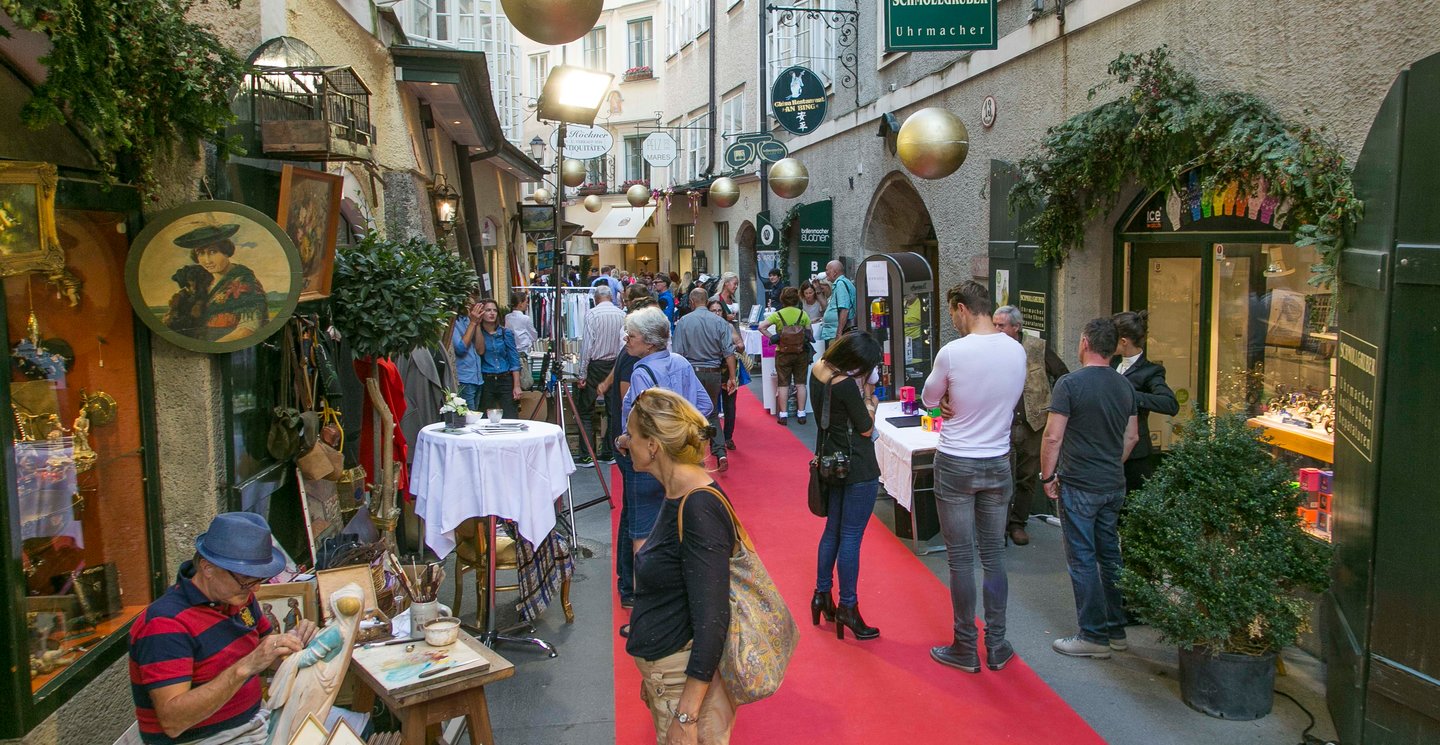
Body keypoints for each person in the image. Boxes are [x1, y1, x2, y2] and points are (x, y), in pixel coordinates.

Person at [129, 513, 318, 744]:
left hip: (255, 722)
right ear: (208, 568)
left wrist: (292, 643)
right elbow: (173, 721)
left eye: (259, 579)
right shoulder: (165, 624)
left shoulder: (238, 597)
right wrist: (247, 666)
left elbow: (269, 654)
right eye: (247, 579)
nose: (255, 589)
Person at [922, 281, 1026, 674]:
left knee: (962, 560)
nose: (952, 320)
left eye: (952, 313)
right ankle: (996, 644)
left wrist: (948, 399)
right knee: (993, 557)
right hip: (998, 461)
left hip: (957, 461)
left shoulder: (952, 352)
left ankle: (965, 646)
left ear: (962, 309)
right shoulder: (1015, 349)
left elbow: (930, 400)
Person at [623, 388, 738, 744]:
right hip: (667, 679)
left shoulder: (697, 507)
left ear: (654, 445)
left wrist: (686, 715)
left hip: (680, 684)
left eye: (632, 435)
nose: (626, 443)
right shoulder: (677, 492)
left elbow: (712, 620)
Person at [1041, 317, 1139, 659]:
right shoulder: (1124, 386)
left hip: (1080, 482)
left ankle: (1093, 635)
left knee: (1082, 558)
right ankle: (1115, 630)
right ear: (1113, 348)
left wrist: (1047, 476)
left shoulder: (1069, 385)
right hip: (1113, 482)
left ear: (1084, 343)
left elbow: (1053, 436)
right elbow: (1132, 436)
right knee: (1110, 556)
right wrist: (1112, 462)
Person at [613, 308, 712, 598]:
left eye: (631, 336)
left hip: (646, 458)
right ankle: (630, 585)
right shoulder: (680, 362)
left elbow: (646, 424)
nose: (626, 340)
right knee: (648, 518)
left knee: (640, 526)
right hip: (677, 457)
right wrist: (681, 431)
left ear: (649, 341)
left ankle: (641, 595)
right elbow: (704, 406)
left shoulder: (642, 371)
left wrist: (624, 439)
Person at [809, 331, 885, 641]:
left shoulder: (818, 370)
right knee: (851, 536)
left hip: (831, 461)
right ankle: (848, 607)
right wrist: (870, 399)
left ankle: (822, 594)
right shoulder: (844, 386)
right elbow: (866, 428)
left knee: (833, 531)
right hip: (857, 465)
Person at [598, 286, 658, 607]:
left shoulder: (636, 359)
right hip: (631, 448)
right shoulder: (634, 363)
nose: (627, 340)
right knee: (634, 518)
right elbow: (628, 407)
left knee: (636, 516)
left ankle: (632, 583)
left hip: (636, 447)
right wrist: (627, 441)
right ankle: (628, 586)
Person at [993, 305, 1069, 546]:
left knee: (1026, 477)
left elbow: (1063, 375)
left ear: (1016, 327)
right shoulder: (991, 348)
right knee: (1001, 477)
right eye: (994, 324)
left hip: (1033, 424)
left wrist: (1052, 407)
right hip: (1001, 422)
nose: (996, 330)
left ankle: (1018, 523)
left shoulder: (1037, 348)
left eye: (1001, 326)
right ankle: (999, 525)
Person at [1111, 310, 1178, 493]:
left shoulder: (1150, 371)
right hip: (1109, 446)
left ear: (1123, 341)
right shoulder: (1110, 362)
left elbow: (1170, 404)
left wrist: (1131, 396)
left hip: (1135, 454)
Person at [171, 224, 270, 343]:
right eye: (201, 253)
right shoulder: (201, 281)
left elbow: (247, 330)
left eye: (213, 252)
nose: (207, 260)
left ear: (226, 252)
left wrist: (210, 347)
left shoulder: (245, 282)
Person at [673, 288, 736, 471]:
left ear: (692, 302)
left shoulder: (684, 322)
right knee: (713, 412)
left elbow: (677, 354)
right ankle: (720, 451)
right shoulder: (719, 321)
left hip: (692, 372)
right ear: (706, 300)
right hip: (714, 372)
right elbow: (729, 352)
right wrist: (732, 377)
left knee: (690, 413)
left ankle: (694, 454)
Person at [576, 284, 626, 467]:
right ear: (611, 297)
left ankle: (587, 454)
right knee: (613, 410)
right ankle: (609, 451)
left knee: (586, 410)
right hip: (615, 365)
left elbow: (587, 346)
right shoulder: (621, 314)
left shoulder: (592, 314)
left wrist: (582, 372)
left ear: (596, 299)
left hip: (596, 365)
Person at [759, 287, 813, 425]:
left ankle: (783, 415)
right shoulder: (803, 314)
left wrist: (773, 337)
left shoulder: (778, 315)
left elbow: (761, 327)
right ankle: (801, 413)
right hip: (801, 353)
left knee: (783, 384)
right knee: (801, 383)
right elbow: (809, 333)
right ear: (797, 299)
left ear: (782, 299)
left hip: (782, 352)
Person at [706, 300, 748, 450]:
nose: (717, 313)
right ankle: (715, 438)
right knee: (712, 407)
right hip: (711, 371)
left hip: (728, 371)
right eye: (713, 311)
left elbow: (740, 344)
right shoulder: (705, 328)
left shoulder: (728, 326)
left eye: (719, 311)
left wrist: (738, 346)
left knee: (730, 406)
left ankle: (728, 437)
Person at [474, 299, 523, 419]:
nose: (492, 313)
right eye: (488, 310)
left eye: (495, 310)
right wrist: (477, 326)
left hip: (505, 378)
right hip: (487, 379)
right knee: (485, 417)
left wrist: (516, 385)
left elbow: (514, 359)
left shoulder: (506, 333)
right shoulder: (478, 332)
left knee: (510, 416)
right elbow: (479, 350)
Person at [451, 300, 486, 411]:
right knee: (468, 421)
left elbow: (480, 350)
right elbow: (460, 348)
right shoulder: (454, 322)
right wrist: (472, 323)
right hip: (464, 379)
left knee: (475, 419)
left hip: (477, 379)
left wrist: (477, 325)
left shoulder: (469, 320)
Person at [819, 260, 856, 351]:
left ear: (835, 272)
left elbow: (844, 309)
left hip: (837, 333)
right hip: (835, 332)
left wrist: (839, 333)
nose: (826, 272)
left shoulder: (840, 284)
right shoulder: (841, 283)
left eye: (827, 270)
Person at [506, 291, 539, 358]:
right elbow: (534, 336)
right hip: (524, 351)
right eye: (526, 302)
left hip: (511, 351)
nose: (527, 304)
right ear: (520, 303)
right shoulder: (525, 318)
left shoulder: (507, 317)